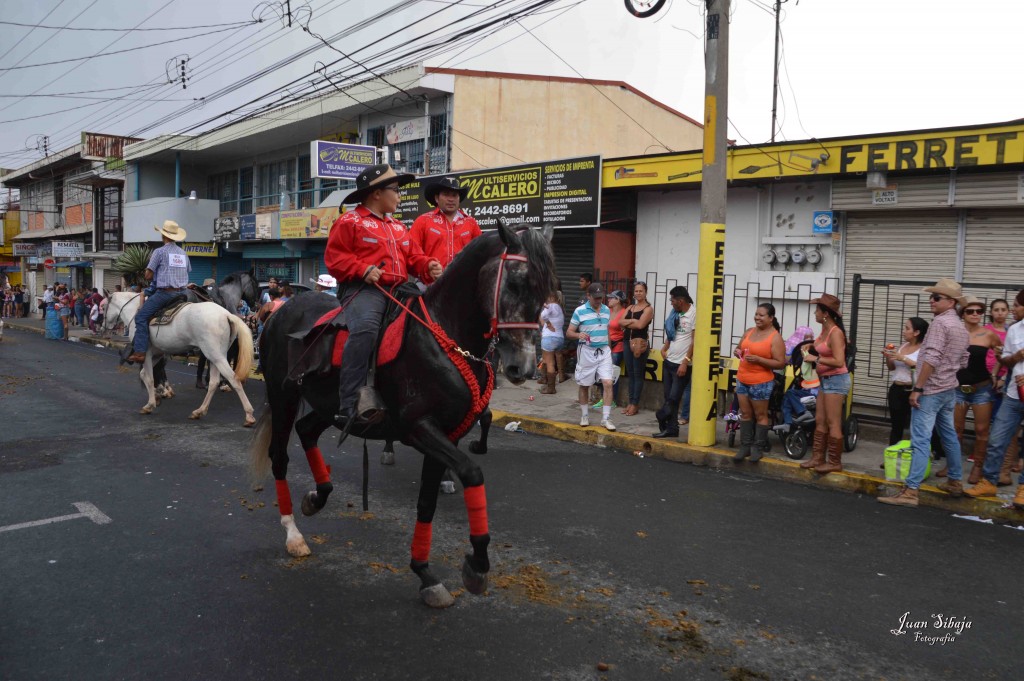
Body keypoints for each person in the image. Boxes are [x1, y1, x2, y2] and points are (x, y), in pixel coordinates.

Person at [324, 164, 442, 427]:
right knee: (365, 330)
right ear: (376, 193)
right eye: (396, 191)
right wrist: (361, 269)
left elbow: (414, 258)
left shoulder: (399, 227)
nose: (400, 197)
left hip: (400, 290)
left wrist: (427, 266)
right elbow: (334, 258)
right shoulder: (349, 221)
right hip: (364, 291)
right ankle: (349, 403)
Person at [880, 279, 969, 507]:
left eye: (937, 297)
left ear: (951, 301)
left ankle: (911, 491)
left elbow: (931, 358)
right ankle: (955, 481)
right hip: (949, 389)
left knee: (920, 440)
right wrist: (948, 373)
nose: (932, 300)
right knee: (949, 435)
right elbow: (964, 360)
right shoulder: (960, 325)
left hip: (931, 390)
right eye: (932, 296)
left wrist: (918, 388)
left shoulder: (940, 324)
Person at [966, 289, 1024, 506]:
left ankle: (1023, 489)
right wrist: (1016, 357)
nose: (1013, 310)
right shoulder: (1014, 330)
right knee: (997, 438)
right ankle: (989, 482)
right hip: (1012, 395)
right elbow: (1006, 361)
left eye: (1016, 306)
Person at [951, 296, 1002, 485]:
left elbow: (1002, 354)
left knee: (981, 430)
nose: (975, 315)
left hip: (981, 388)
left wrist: (995, 374)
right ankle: (952, 465)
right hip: (958, 388)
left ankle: (977, 467)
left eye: (979, 311)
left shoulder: (988, 335)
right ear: (962, 314)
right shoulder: (956, 333)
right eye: (970, 311)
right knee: (955, 430)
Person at [125, 220, 192, 363]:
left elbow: (148, 276)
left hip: (165, 294)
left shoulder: (159, 252)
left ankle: (140, 352)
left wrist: (150, 272)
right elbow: (187, 272)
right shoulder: (183, 253)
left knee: (141, 317)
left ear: (163, 236)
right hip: (183, 294)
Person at [803, 294, 850, 474]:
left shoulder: (835, 332)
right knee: (820, 420)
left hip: (836, 381)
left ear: (826, 314)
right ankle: (817, 458)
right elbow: (825, 348)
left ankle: (834, 462)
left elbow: (839, 361)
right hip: (826, 380)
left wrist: (816, 357)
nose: (815, 313)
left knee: (833, 423)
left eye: (817, 310)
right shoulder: (824, 330)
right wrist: (811, 346)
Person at [732, 302, 784, 462]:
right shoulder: (749, 331)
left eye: (761, 315)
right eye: (756, 314)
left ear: (771, 318)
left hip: (761, 382)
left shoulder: (775, 337)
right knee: (745, 413)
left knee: (761, 415)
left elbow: (780, 362)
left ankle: (758, 447)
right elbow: (739, 348)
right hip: (742, 379)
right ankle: (745, 446)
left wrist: (759, 360)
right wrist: (737, 351)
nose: (757, 318)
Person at [409, 176, 482, 280]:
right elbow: (411, 254)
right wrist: (427, 266)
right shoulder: (423, 221)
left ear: (459, 198)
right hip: (429, 284)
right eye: (446, 194)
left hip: (464, 284)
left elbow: (480, 254)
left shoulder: (471, 223)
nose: (451, 199)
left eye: (454, 195)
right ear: (437, 198)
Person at [566, 282, 616, 432]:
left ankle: (606, 418)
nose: (599, 300)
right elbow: (569, 332)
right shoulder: (579, 311)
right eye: (596, 298)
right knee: (584, 384)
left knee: (608, 383)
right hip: (586, 351)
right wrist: (577, 334)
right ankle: (584, 415)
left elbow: (607, 330)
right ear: (588, 296)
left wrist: (609, 348)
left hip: (604, 351)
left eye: (601, 297)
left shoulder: (607, 310)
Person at [652, 286, 695, 439]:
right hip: (669, 360)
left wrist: (686, 361)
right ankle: (672, 429)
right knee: (669, 397)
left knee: (673, 398)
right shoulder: (675, 313)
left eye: (673, 300)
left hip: (681, 364)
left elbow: (694, 341)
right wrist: (664, 348)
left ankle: (661, 416)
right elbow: (672, 333)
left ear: (681, 301)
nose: (671, 303)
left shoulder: (693, 314)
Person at [882, 317, 928, 445]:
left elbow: (921, 367)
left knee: (916, 425)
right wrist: (889, 357)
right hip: (896, 389)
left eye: (907, 328)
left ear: (916, 332)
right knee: (896, 425)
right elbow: (892, 368)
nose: (904, 331)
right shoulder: (903, 346)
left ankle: (915, 456)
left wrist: (901, 358)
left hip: (913, 390)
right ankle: (892, 455)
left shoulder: (924, 349)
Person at [619, 280, 654, 417]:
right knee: (631, 374)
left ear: (645, 293)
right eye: (636, 291)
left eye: (641, 291)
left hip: (640, 344)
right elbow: (619, 322)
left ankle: (635, 404)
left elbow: (640, 326)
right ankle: (630, 402)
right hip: (627, 343)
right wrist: (632, 321)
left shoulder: (648, 309)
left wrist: (628, 323)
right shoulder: (630, 308)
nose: (638, 293)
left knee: (638, 374)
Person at [774, 327, 818, 434]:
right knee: (787, 398)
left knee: (789, 394)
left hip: (813, 392)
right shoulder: (805, 358)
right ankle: (788, 423)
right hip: (807, 389)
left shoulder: (812, 359)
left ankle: (802, 412)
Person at [603, 289, 628, 408]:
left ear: (618, 300)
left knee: (612, 373)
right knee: (603, 373)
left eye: (611, 298)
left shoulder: (623, 313)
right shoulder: (607, 311)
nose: (608, 299)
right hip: (606, 346)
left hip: (617, 346)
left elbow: (625, 330)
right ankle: (604, 399)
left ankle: (612, 400)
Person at [537, 291, 565, 395]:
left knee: (549, 363)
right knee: (546, 360)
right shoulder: (559, 308)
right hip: (559, 338)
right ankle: (545, 379)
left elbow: (543, 316)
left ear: (551, 297)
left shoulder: (551, 306)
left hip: (549, 338)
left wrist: (548, 323)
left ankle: (551, 388)